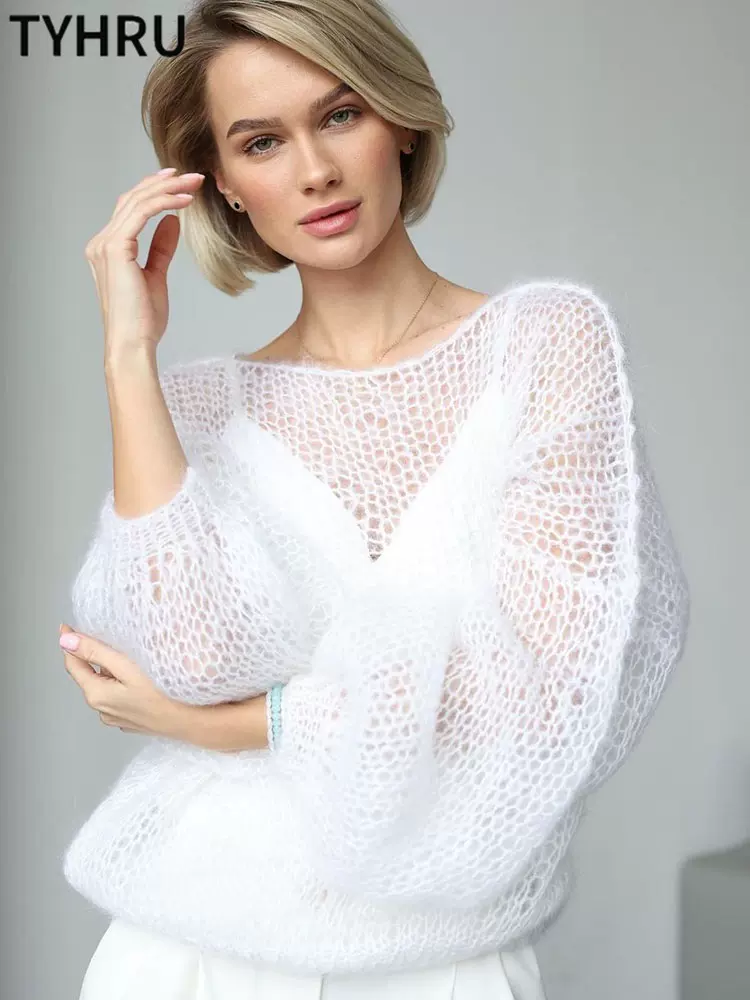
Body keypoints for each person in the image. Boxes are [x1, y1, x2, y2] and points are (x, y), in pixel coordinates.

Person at [59, 1, 691, 997]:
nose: (314, 170)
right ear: (222, 184)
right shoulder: (196, 408)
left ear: (398, 120)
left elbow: (543, 702)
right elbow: (188, 657)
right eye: (261, 142)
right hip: (185, 953)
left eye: (340, 114)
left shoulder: (543, 348)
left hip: (441, 958)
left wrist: (226, 727)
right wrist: (128, 356)